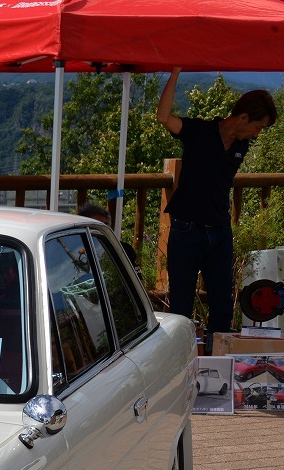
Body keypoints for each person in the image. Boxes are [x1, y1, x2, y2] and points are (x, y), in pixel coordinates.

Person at [156, 68, 277, 333]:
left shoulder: (241, 146)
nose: (257, 135)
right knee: (180, 308)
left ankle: (217, 364)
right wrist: (176, 71)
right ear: (243, 117)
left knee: (222, 306)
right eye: (257, 127)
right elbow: (163, 116)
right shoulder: (198, 132)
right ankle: (181, 366)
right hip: (187, 229)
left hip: (220, 232)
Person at [78, 202, 141, 276]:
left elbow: (137, 280)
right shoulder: (80, 253)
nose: (102, 229)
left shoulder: (123, 250)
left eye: (105, 225)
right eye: (96, 226)